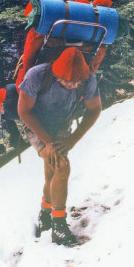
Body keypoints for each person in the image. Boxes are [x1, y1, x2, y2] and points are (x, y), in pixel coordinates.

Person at [17, 47, 102, 246]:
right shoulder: (36, 75)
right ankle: (58, 225)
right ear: (55, 72)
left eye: (75, 83)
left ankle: (45, 213)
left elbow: (95, 109)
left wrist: (72, 139)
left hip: (62, 123)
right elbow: (24, 111)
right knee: (61, 165)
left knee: (52, 169)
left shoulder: (88, 79)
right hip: (35, 124)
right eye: (65, 81)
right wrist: (47, 142)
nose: (71, 85)